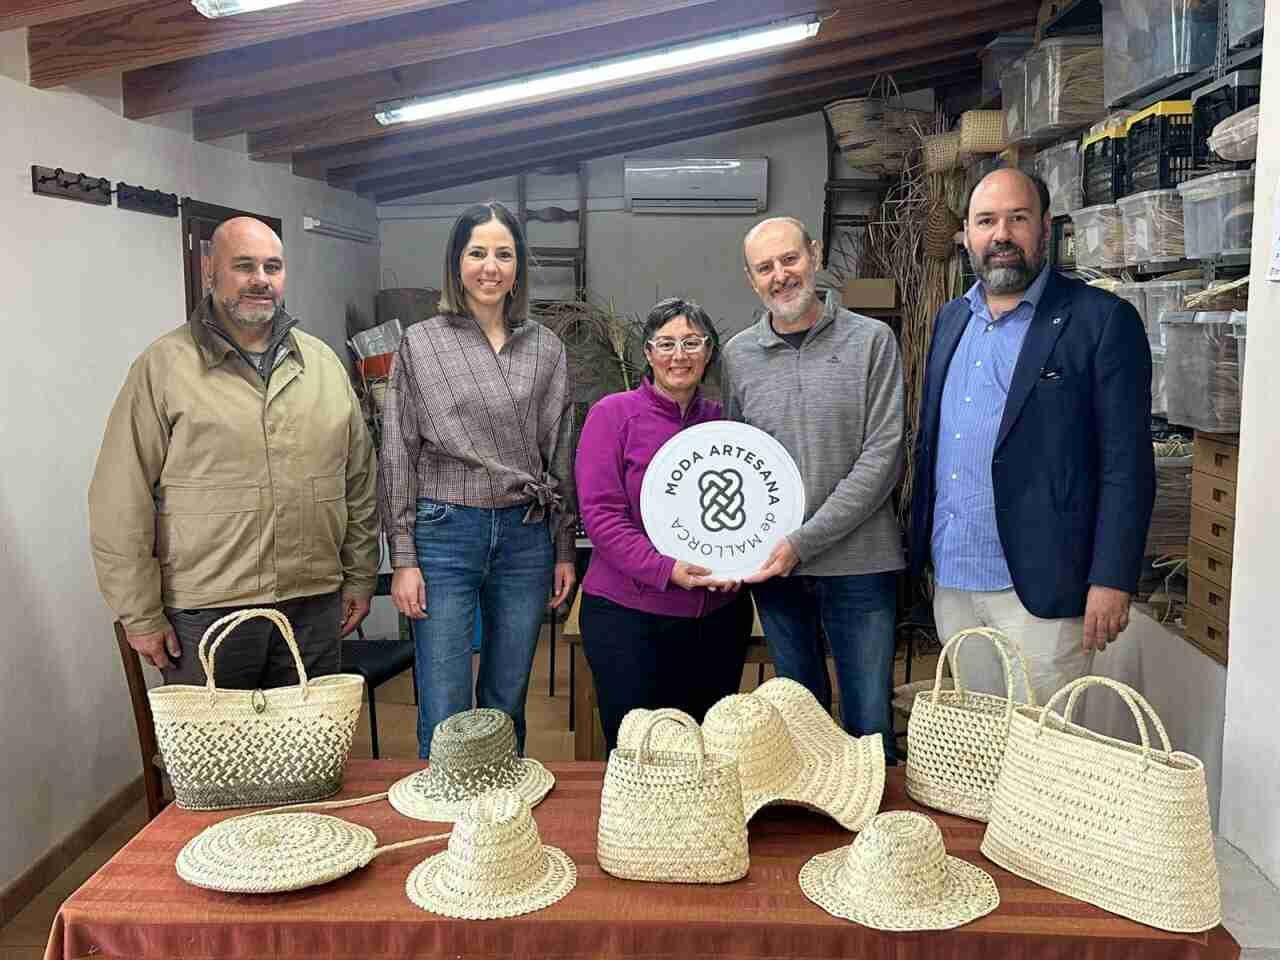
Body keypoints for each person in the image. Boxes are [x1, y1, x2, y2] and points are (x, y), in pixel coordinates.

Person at [89, 216, 379, 688]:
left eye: (272, 266)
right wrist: (140, 613)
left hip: (313, 606)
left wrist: (360, 575)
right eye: (244, 265)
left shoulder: (321, 363)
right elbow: (120, 497)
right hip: (205, 613)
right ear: (211, 272)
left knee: (308, 756)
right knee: (214, 761)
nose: (260, 279)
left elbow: (360, 482)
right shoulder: (163, 367)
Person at [910, 168, 1155, 703]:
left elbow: (1127, 465)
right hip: (954, 576)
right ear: (967, 236)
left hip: (1043, 588)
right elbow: (933, 442)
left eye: (1017, 218)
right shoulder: (953, 319)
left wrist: (1112, 577)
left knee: (1045, 759)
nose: (1001, 235)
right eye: (986, 221)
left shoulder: (1100, 320)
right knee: (980, 736)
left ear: (1045, 227)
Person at [380, 201, 576, 758]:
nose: (490, 266)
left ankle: (500, 828)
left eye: (504, 254)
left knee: (507, 698)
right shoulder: (422, 342)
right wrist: (403, 556)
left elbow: (560, 453)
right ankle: (439, 822)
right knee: (443, 702)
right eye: (477, 253)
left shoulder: (547, 347)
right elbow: (397, 449)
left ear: (518, 268)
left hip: (525, 535)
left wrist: (563, 547)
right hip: (443, 531)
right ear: (456, 262)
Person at [721, 216, 905, 762]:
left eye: (790, 259)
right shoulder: (737, 355)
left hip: (860, 567)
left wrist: (803, 541)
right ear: (751, 279)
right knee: (799, 730)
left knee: (870, 725)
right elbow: (737, 459)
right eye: (765, 267)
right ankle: (817, 833)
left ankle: (884, 844)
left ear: (815, 255)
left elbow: (883, 457)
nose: (781, 275)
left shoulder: (873, 341)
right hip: (778, 573)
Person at [575, 297, 753, 751]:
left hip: (715, 622)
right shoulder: (612, 416)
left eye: (692, 342)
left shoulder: (724, 422)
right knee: (641, 753)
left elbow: (747, 513)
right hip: (630, 621)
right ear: (648, 353)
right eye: (667, 343)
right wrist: (665, 568)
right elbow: (601, 517)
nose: (680, 355)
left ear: (709, 351)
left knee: (705, 752)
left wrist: (741, 562)